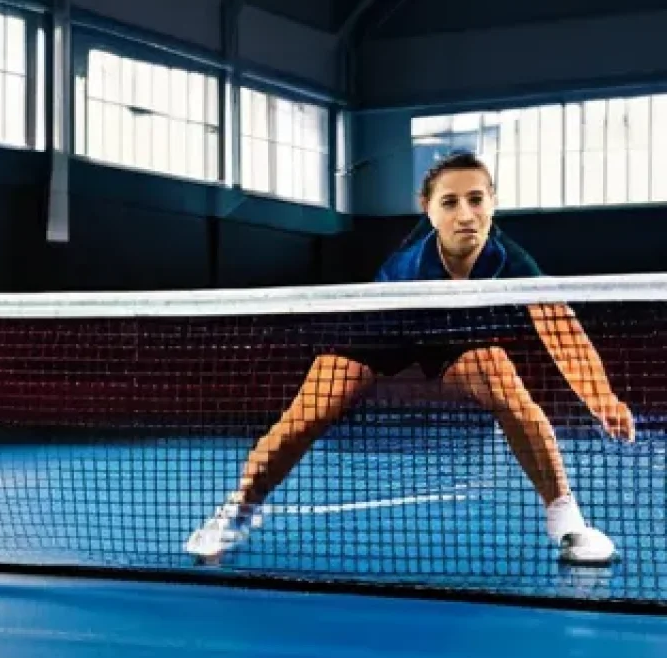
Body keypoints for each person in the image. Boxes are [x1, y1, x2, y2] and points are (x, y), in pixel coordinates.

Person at [186, 151, 635, 566]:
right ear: (428, 208)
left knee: (508, 388)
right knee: (306, 415)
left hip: (449, 338)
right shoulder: (415, 257)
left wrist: (602, 398)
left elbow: (559, 327)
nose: (465, 214)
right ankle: (238, 509)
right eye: (450, 202)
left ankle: (567, 521)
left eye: (476, 199)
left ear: (493, 202)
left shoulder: (509, 258)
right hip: (377, 332)